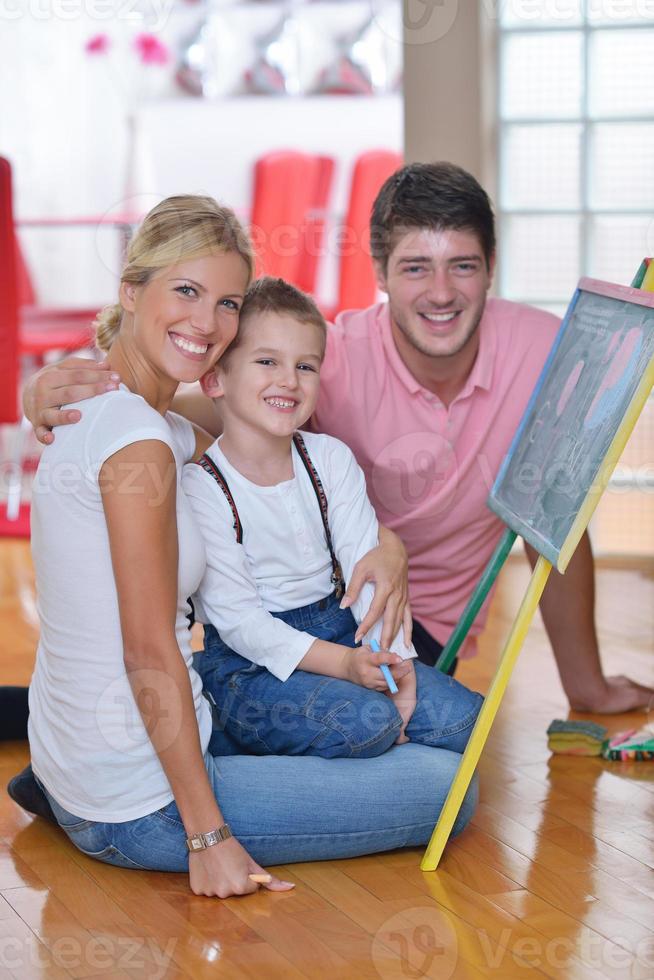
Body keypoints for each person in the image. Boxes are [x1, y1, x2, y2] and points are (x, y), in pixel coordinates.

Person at [26, 163, 653, 714]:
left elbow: (556, 523)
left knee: (420, 733)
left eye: (462, 266)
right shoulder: (334, 357)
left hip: (410, 627)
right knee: (214, 692)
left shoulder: (548, 352)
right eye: (415, 268)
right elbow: (207, 407)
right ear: (379, 272)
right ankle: (66, 753)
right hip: (292, 607)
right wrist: (70, 392)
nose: (440, 293)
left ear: (491, 268)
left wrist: (586, 687)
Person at [8, 194, 478, 899]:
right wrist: (209, 837)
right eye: (187, 291)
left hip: (87, 759)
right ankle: (169, 805)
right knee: (451, 791)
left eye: (228, 303)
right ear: (131, 292)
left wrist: (387, 543)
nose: (207, 322)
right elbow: (147, 649)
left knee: (443, 729)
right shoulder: (141, 441)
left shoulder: (133, 417)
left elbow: (259, 445)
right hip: (139, 803)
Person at [182, 275, 483, 758]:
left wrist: (396, 666)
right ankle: (223, 718)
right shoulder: (202, 487)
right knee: (367, 726)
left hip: (342, 632)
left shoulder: (331, 458)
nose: (289, 380)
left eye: (306, 365)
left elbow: (367, 575)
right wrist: (346, 666)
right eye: (266, 362)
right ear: (215, 378)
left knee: (466, 721)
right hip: (251, 666)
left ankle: (372, 761)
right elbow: (240, 623)